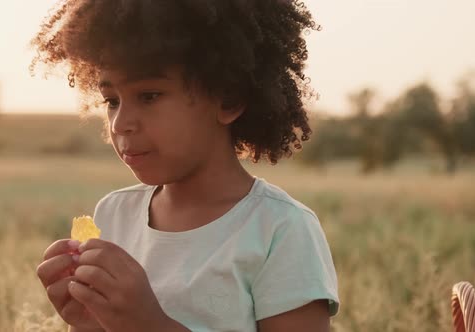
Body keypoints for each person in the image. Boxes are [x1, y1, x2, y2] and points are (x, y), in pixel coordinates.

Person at [33, 1, 339, 331]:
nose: (120, 123)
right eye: (112, 101)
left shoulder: (279, 230)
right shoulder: (113, 214)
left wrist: (149, 324)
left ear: (228, 100)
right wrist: (90, 324)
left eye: (149, 96)